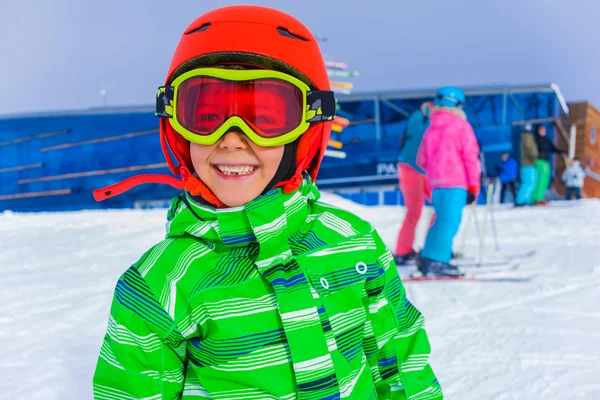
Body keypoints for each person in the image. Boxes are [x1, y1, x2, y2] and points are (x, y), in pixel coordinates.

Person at [91, 6, 441, 399]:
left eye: (265, 117)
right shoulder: (160, 284)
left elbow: (398, 360)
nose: (232, 137)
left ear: (306, 129)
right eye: (206, 116)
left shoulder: (353, 241)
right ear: (175, 123)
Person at [416, 86, 480, 276]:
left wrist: (431, 180)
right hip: (455, 181)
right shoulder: (461, 126)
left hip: (436, 183)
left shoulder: (431, 128)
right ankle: (437, 261)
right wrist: (474, 185)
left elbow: (421, 159)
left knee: (440, 220)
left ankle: (428, 258)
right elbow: (470, 157)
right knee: (449, 222)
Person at [394, 101, 432, 265]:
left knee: (440, 207)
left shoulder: (420, 117)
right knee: (414, 210)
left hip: (422, 169)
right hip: (412, 167)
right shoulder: (420, 118)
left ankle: (433, 248)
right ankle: (403, 251)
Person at [531, 124, 567, 205]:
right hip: (539, 161)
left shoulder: (547, 140)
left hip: (546, 162)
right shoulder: (535, 139)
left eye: (543, 130)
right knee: (539, 180)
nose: (542, 131)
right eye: (541, 130)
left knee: (544, 180)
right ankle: (537, 198)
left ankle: (540, 197)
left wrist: (562, 151)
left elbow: (553, 149)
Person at [515, 124, 538, 207]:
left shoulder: (525, 137)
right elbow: (530, 149)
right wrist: (535, 155)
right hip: (528, 164)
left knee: (530, 182)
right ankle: (520, 200)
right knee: (529, 182)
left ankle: (526, 199)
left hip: (528, 164)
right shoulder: (527, 136)